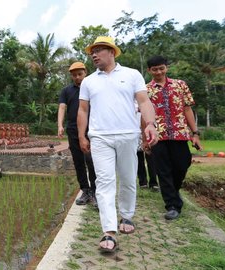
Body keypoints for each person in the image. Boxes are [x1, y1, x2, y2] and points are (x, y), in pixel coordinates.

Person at [77, 36, 158, 252]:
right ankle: (109, 231)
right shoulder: (88, 81)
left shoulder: (132, 75)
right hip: (100, 136)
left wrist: (150, 124)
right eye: (92, 51)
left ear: (112, 52)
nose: (94, 54)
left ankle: (127, 216)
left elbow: (144, 101)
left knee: (128, 178)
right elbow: (83, 110)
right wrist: (81, 136)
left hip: (128, 135)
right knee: (104, 182)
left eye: (99, 50)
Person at [146, 55, 202, 220]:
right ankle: (172, 205)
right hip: (158, 136)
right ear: (149, 70)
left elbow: (187, 110)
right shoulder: (146, 90)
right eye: (155, 69)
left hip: (180, 134)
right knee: (163, 171)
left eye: (161, 68)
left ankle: (174, 192)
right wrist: (145, 138)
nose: (158, 72)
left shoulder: (180, 85)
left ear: (166, 68)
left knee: (182, 165)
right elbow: (143, 116)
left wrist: (195, 133)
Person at [58, 61, 97, 206]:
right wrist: (60, 125)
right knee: (78, 161)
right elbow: (62, 107)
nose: (77, 77)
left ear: (85, 72)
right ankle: (85, 190)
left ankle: (95, 191)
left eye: (80, 74)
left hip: (91, 129)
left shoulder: (93, 88)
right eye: (74, 75)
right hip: (73, 130)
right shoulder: (66, 91)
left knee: (92, 161)